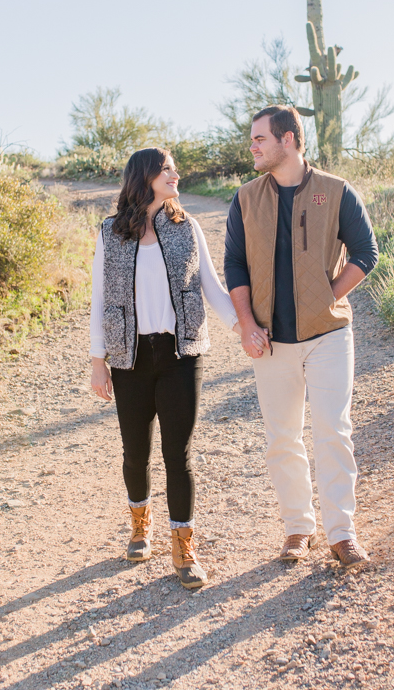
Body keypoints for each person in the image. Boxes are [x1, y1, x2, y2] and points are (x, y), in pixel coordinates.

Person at [224, 105, 378, 568]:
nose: (252, 146)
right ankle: (297, 528)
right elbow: (234, 265)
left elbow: (366, 252)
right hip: (271, 341)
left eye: (259, 139)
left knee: (333, 431)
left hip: (329, 334)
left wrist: (327, 295)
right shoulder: (245, 198)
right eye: (252, 140)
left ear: (288, 140)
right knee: (282, 438)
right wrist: (248, 326)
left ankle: (342, 533)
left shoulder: (336, 191)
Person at [88, 147, 239, 589]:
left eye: (174, 168)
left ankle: (183, 545)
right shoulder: (109, 233)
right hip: (129, 359)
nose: (175, 174)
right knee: (135, 453)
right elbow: (99, 301)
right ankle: (140, 524)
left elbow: (211, 286)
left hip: (180, 357)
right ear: (145, 177)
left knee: (179, 455)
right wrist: (98, 363)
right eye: (166, 169)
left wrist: (245, 328)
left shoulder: (187, 228)